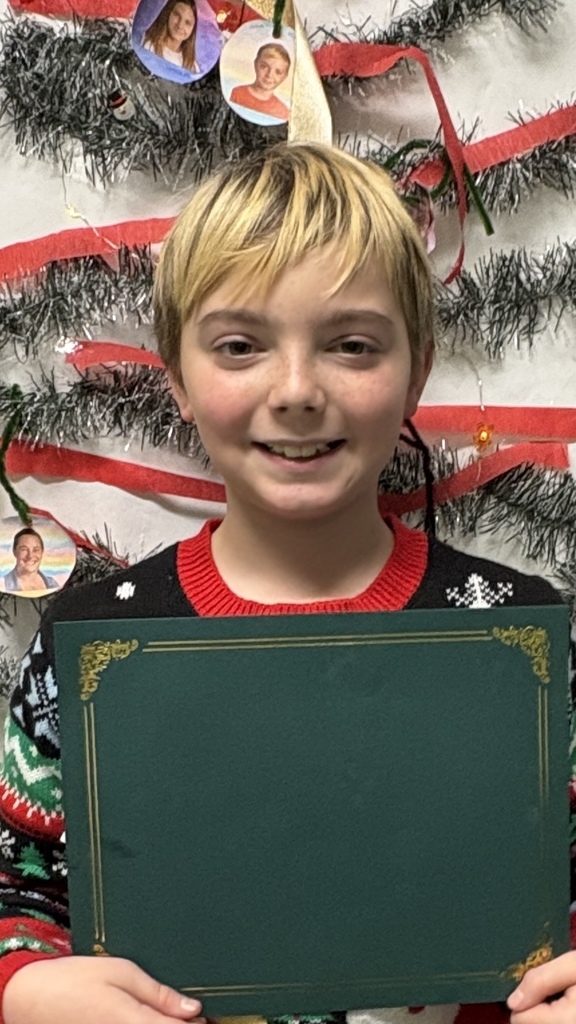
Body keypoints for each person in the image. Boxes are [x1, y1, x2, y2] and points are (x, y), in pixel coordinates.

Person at [0, 143, 572, 1024]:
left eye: (352, 345)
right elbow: (19, 889)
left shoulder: (522, 637)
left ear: (416, 371)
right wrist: (23, 988)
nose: (297, 390)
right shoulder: (91, 644)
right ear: (178, 378)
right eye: (239, 346)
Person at [230, 43, 291, 121]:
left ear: (284, 77)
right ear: (256, 64)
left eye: (278, 72)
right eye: (264, 67)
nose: (269, 75)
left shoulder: (282, 110)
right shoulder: (238, 92)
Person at [143, 0, 199, 72]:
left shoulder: (192, 66)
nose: (180, 25)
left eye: (187, 22)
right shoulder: (150, 47)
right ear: (169, 14)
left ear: (193, 29)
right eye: (177, 15)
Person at [2, 527, 58, 593]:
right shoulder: (2, 585)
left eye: (36, 550)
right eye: (24, 549)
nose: (30, 556)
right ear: (14, 551)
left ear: (42, 552)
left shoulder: (52, 584)